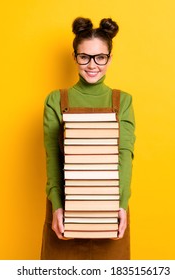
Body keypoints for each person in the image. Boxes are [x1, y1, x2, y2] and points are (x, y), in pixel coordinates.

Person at [41, 17, 136, 260]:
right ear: (75, 57)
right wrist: (56, 205)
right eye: (84, 57)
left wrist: (122, 205)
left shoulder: (122, 101)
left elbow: (125, 155)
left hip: (111, 206)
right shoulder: (55, 100)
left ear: (110, 58)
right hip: (66, 208)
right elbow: (53, 158)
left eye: (100, 57)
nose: (92, 65)